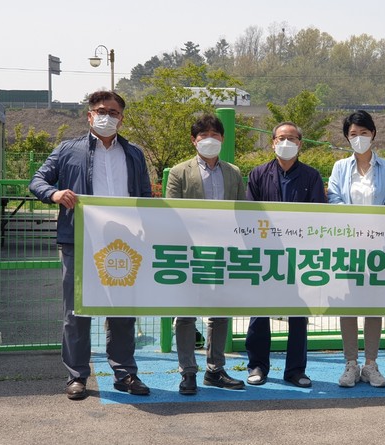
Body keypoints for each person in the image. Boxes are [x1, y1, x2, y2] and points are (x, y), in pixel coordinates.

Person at [29, 91, 152, 400]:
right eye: (100, 111)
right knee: (76, 312)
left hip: (123, 244)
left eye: (113, 112)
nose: (106, 116)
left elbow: (144, 197)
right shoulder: (67, 150)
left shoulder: (134, 154)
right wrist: (55, 194)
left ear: (122, 118)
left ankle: (124, 373)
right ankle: (77, 376)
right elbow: (38, 181)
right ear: (89, 115)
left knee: (122, 311)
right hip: (80, 240)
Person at [165, 113, 246, 395]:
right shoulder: (179, 172)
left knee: (220, 313)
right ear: (193, 141)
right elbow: (172, 212)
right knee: (185, 314)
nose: (209, 140)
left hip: (223, 251)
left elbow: (242, 212)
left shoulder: (233, 172)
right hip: (189, 251)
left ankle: (215, 369)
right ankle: (187, 371)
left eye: (215, 135)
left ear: (222, 139)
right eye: (203, 136)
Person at [244, 121, 327, 388]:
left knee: (298, 313)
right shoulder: (258, 174)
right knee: (259, 310)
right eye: (281, 138)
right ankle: (257, 366)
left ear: (300, 144)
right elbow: (249, 214)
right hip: (265, 253)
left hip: (299, 256)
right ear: (273, 142)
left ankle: (295, 370)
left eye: (292, 138)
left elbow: (319, 215)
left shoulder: (312, 176)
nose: (286, 143)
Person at [327, 110, 385, 388]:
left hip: (378, 244)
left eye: (364, 133)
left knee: (373, 304)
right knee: (348, 304)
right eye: (353, 134)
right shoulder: (340, 167)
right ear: (347, 138)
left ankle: (370, 364)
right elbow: (334, 198)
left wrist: (376, 224)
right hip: (348, 243)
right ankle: (350, 363)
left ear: (373, 134)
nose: (359, 138)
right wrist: (355, 224)